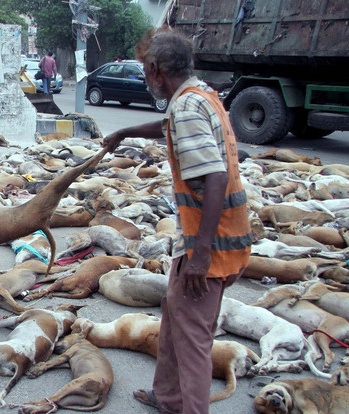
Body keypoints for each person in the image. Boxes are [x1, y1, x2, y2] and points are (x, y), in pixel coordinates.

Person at [102, 28, 251, 414]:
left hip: (210, 244)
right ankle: (168, 397)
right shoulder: (199, 96)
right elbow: (171, 128)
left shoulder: (186, 108)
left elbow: (215, 176)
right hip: (219, 236)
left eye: (144, 70)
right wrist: (127, 132)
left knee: (192, 338)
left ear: (154, 69)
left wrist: (201, 253)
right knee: (174, 315)